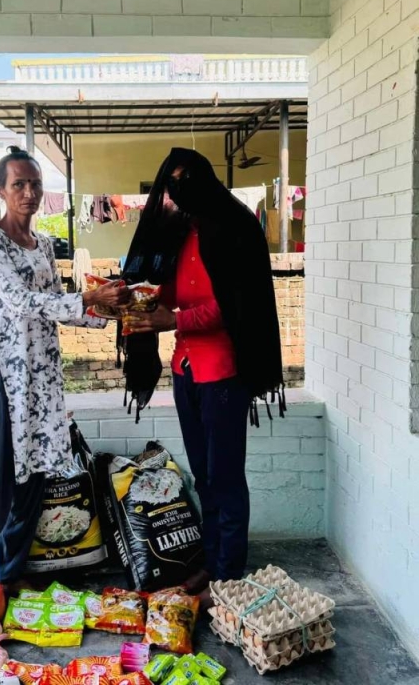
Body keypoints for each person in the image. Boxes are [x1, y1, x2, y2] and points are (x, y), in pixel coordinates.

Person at [0, 147, 128, 649]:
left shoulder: (42, 245)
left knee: (32, 486)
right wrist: (88, 297)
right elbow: (18, 302)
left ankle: (9, 577)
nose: (29, 192)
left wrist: (114, 313)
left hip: (42, 380)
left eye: (35, 183)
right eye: (18, 184)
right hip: (6, 377)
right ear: (0, 190)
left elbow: (56, 307)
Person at [122, 147, 284, 608]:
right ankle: (213, 562)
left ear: (207, 179)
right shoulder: (184, 231)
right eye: (171, 182)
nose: (178, 190)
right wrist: (141, 299)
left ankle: (229, 574)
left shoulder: (235, 228)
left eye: (186, 180)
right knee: (203, 476)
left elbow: (234, 306)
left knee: (225, 477)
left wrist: (173, 320)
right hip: (186, 370)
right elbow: (176, 291)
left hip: (223, 373)